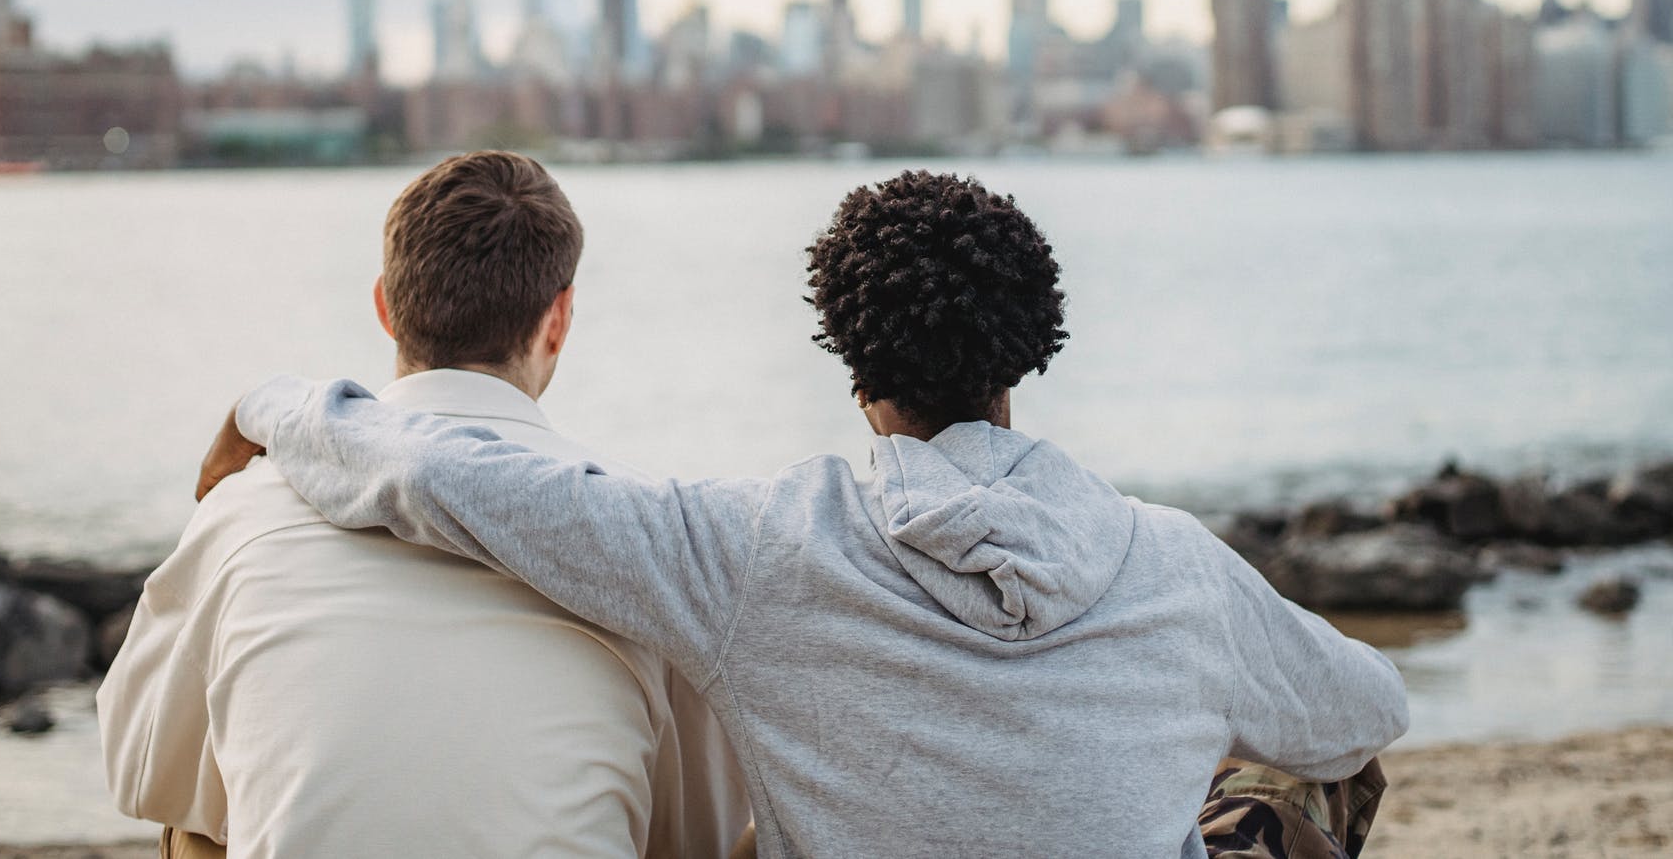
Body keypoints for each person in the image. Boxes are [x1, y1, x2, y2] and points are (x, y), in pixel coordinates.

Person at [203, 169, 1408, 858]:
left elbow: (451, 478)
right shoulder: (1173, 564)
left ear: (848, 356)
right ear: (1026, 351)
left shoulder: (746, 548)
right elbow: (1365, 712)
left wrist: (276, 406)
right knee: (1306, 779)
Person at [99, 151, 750, 858]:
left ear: (385, 305)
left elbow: (135, 765)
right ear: (557, 319)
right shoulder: (646, 542)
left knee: (193, 821)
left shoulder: (247, 510)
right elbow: (695, 839)